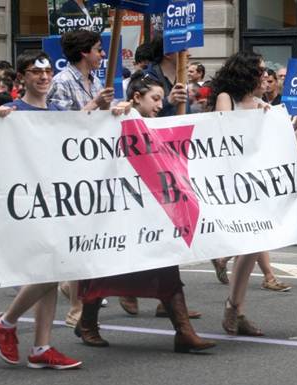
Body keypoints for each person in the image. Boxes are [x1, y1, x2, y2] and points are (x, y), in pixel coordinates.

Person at [73, 72, 215, 353]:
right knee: (105, 270)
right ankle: (88, 323)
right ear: (136, 97)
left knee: (167, 267)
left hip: (153, 212)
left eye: (162, 99)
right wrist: (116, 113)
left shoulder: (154, 125)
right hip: (118, 214)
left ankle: (184, 332)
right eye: (155, 99)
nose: (159, 105)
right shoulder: (118, 118)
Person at [0, 51, 86, 370]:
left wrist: (105, 110)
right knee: (53, 268)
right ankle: (7, 320)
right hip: (27, 202)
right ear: (23, 77)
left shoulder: (58, 110)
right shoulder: (13, 109)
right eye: (36, 72)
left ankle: (41, 347)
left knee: (50, 268)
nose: (44, 77)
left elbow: (83, 129)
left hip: (58, 199)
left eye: (47, 72)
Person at [208, 51, 290, 335]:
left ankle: (235, 308)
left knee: (254, 245)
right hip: (231, 184)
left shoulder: (262, 105)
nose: (265, 77)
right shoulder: (226, 99)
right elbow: (225, 140)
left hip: (256, 184)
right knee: (247, 244)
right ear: (245, 73)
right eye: (261, 71)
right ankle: (234, 310)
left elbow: (275, 145)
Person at [47, 29, 117, 328]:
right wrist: (95, 105)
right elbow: (59, 127)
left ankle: (73, 287)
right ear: (84, 51)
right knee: (79, 237)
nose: (102, 55)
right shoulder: (62, 82)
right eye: (98, 49)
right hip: (70, 170)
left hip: (93, 167)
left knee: (91, 236)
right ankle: (76, 305)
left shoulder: (94, 81)